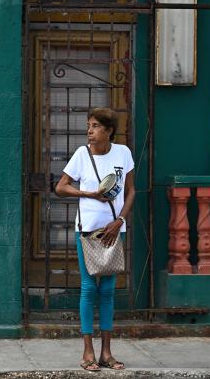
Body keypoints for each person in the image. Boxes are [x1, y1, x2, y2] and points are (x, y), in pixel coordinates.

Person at [55, 107, 135, 372]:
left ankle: (107, 353)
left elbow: (131, 190)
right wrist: (89, 194)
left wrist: (120, 221)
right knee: (89, 288)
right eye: (88, 126)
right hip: (88, 230)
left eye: (96, 126)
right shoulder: (81, 154)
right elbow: (61, 187)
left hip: (114, 229)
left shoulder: (123, 153)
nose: (89, 131)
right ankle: (87, 351)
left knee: (109, 290)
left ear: (109, 131)